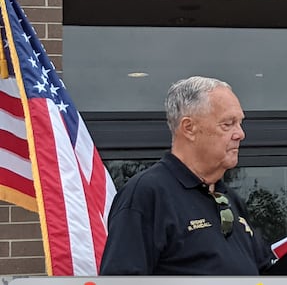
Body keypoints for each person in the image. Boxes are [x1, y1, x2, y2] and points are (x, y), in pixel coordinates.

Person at [100, 76, 272, 275]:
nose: (240, 134)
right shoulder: (147, 195)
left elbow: (265, 270)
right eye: (228, 124)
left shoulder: (230, 199)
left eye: (240, 123)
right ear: (189, 128)